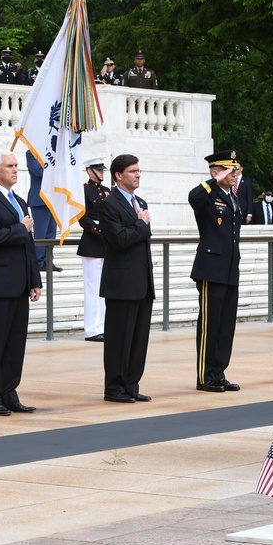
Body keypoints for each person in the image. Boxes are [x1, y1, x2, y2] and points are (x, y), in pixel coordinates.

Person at [0, 151, 42, 415]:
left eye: (16, 166)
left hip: (19, 283)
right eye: (10, 166)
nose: (15, 170)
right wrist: (20, 228)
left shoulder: (20, 201)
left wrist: (34, 280)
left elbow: (28, 244)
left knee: (15, 343)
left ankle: (9, 392)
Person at [99, 154, 154, 403]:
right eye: (132, 171)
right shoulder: (109, 204)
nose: (138, 175)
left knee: (138, 338)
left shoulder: (139, 201)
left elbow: (141, 238)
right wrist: (141, 226)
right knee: (119, 338)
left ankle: (131, 383)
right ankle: (114, 387)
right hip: (121, 283)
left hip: (142, 281)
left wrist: (140, 227)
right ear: (118, 176)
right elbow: (119, 239)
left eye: (139, 171)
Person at [189, 152, 243, 393]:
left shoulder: (231, 198)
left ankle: (219, 372)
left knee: (225, 325)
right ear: (215, 172)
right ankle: (205, 376)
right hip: (211, 269)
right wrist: (213, 180)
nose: (234, 175)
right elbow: (193, 197)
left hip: (230, 268)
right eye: (228, 171)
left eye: (235, 171)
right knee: (210, 325)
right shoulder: (208, 196)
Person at [78, 157, 110, 342]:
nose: (102, 173)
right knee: (92, 288)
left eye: (103, 170)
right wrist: (100, 230)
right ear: (90, 171)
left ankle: (104, 325)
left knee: (104, 288)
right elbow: (84, 219)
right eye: (99, 170)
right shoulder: (84, 190)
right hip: (92, 243)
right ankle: (92, 329)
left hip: (106, 245)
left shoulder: (107, 191)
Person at [26, 150, 60, 271]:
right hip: (40, 198)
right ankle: (39, 261)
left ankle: (48, 261)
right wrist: (55, 166)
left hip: (53, 197)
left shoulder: (53, 153)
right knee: (41, 233)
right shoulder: (32, 153)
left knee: (51, 233)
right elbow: (38, 171)